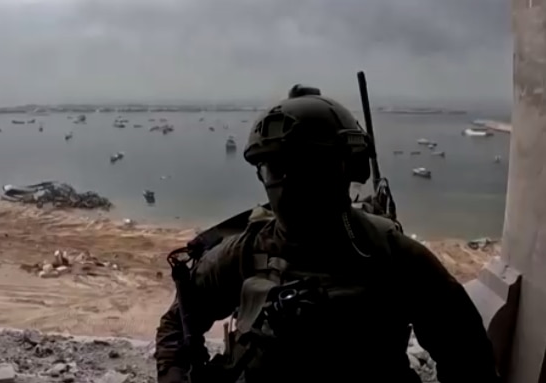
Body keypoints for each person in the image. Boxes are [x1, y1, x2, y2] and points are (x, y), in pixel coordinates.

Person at [154, 85, 500, 383]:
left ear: (346, 168)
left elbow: (466, 355)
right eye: (276, 168)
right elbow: (178, 323)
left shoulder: (392, 255)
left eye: (306, 165)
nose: (289, 184)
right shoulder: (248, 250)